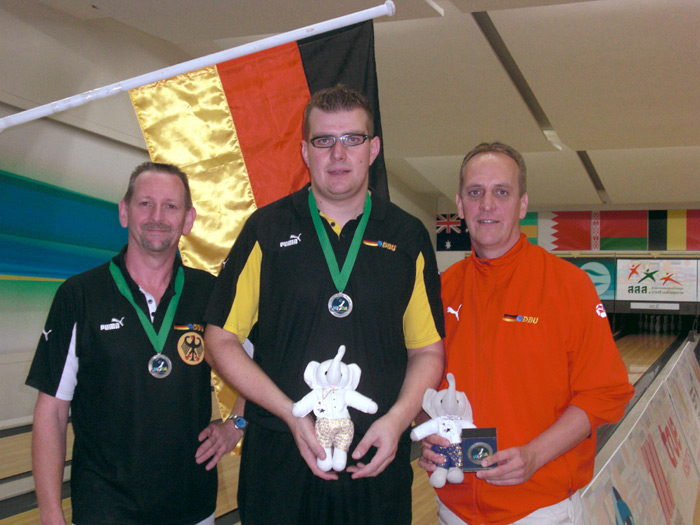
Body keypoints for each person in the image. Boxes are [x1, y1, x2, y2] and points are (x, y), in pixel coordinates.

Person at [204, 84, 445, 524]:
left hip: (375, 456)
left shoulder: (407, 236)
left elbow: (427, 351)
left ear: (373, 149)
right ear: (305, 151)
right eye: (323, 140)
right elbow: (220, 339)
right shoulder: (266, 229)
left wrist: (396, 421)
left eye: (352, 138)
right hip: (279, 454)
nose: (338, 153)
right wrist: (289, 414)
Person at [419, 142, 634, 525]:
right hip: (454, 509)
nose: (487, 205)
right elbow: (423, 385)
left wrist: (534, 454)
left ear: (522, 204)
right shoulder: (442, 289)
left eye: (501, 192)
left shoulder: (569, 285)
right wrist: (427, 433)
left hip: (539, 510)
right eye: (475, 192)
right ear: (460, 205)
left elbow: (605, 393)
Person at [26, 162, 241, 525]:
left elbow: (258, 358)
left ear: (188, 220)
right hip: (105, 508)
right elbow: (51, 412)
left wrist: (236, 424)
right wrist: (50, 513)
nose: (157, 216)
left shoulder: (209, 293)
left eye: (170, 206)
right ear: (124, 212)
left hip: (192, 506)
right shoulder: (79, 296)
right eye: (145, 204)